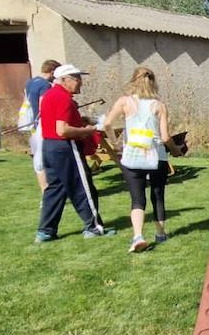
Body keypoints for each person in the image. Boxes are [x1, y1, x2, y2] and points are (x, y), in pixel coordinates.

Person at [98, 67, 181, 253]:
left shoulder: (124, 102)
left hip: (133, 156)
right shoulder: (159, 106)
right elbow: (165, 137)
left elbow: (107, 124)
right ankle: (160, 233)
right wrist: (175, 150)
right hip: (156, 156)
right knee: (158, 195)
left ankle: (138, 236)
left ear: (133, 81)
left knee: (137, 199)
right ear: (153, 82)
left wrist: (115, 143)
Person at [35, 64, 114, 242]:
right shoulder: (63, 98)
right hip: (66, 147)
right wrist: (90, 129)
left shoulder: (49, 95)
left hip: (49, 147)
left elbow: (57, 120)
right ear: (64, 80)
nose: (80, 82)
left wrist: (81, 120)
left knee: (55, 189)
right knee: (83, 187)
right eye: (76, 78)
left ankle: (45, 231)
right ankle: (93, 228)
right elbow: (62, 130)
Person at [19, 59, 59, 193]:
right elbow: (44, 106)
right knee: (43, 159)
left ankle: (45, 190)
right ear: (52, 72)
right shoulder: (45, 85)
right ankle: (47, 191)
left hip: (34, 125)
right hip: (43, 124)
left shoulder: (30, 82)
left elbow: (27, 101)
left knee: (38, 157)